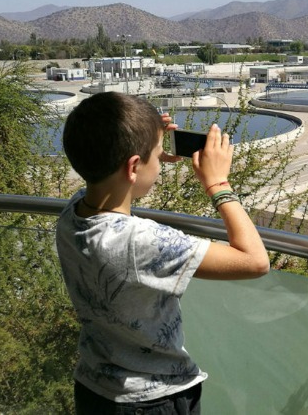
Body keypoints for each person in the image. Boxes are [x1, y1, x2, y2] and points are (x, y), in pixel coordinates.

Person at [56, 91, 269, 413]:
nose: (160, 162)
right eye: (157, 156)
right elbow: (254, 261)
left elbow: (113, 197)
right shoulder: (142, 241)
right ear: (132, 167)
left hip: (94, 386)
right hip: (152, 400)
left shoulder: (72, 214)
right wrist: (218, 184)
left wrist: (147, 146)